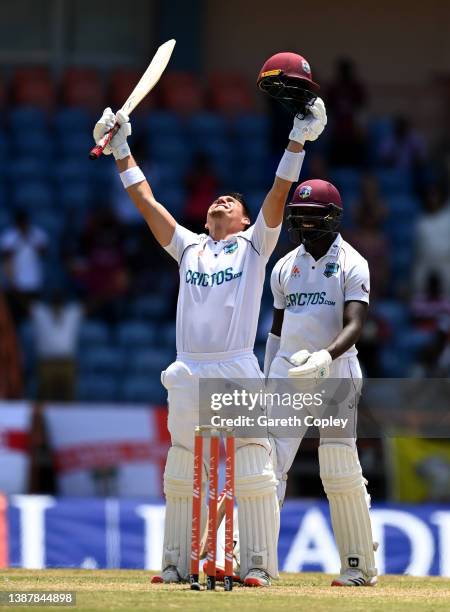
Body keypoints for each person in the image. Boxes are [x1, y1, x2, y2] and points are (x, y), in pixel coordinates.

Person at [92, 81, 327, 586]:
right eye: (218, 199)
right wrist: (121, 150)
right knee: (181, 465)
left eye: (232, 201)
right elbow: (148, 204)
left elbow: (278, 194)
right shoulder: (189, 247)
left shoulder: (254, 246)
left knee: (252, 467)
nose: (223, 200)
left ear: (244, 220)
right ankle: (176, 565)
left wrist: (297, 141)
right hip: (188, 367)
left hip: (237, 365)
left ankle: (257, 566)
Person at [264, 179, 378, 587]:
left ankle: (358, 566)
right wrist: (267, 375)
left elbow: (355, 324)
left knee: (337, 466)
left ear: (332, 218)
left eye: (314, 216)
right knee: (267, 465)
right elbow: (277, 331)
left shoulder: (353, 262)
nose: (306, 223)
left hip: (336, 373)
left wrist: (324, 357)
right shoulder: (283, 266)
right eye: (301, 215)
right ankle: (257, 564)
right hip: (288, 373)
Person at [0, 210, 48, 322]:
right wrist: (19, 240)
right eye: (20, 223)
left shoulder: (37, 234)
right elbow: (5, 255)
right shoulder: (9, 236)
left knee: (34, 315)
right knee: (14, 317)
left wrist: (30, 239)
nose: (23, 225)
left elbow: (44, 252)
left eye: (24, 223)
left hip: (34, 282)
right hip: (15, 283)